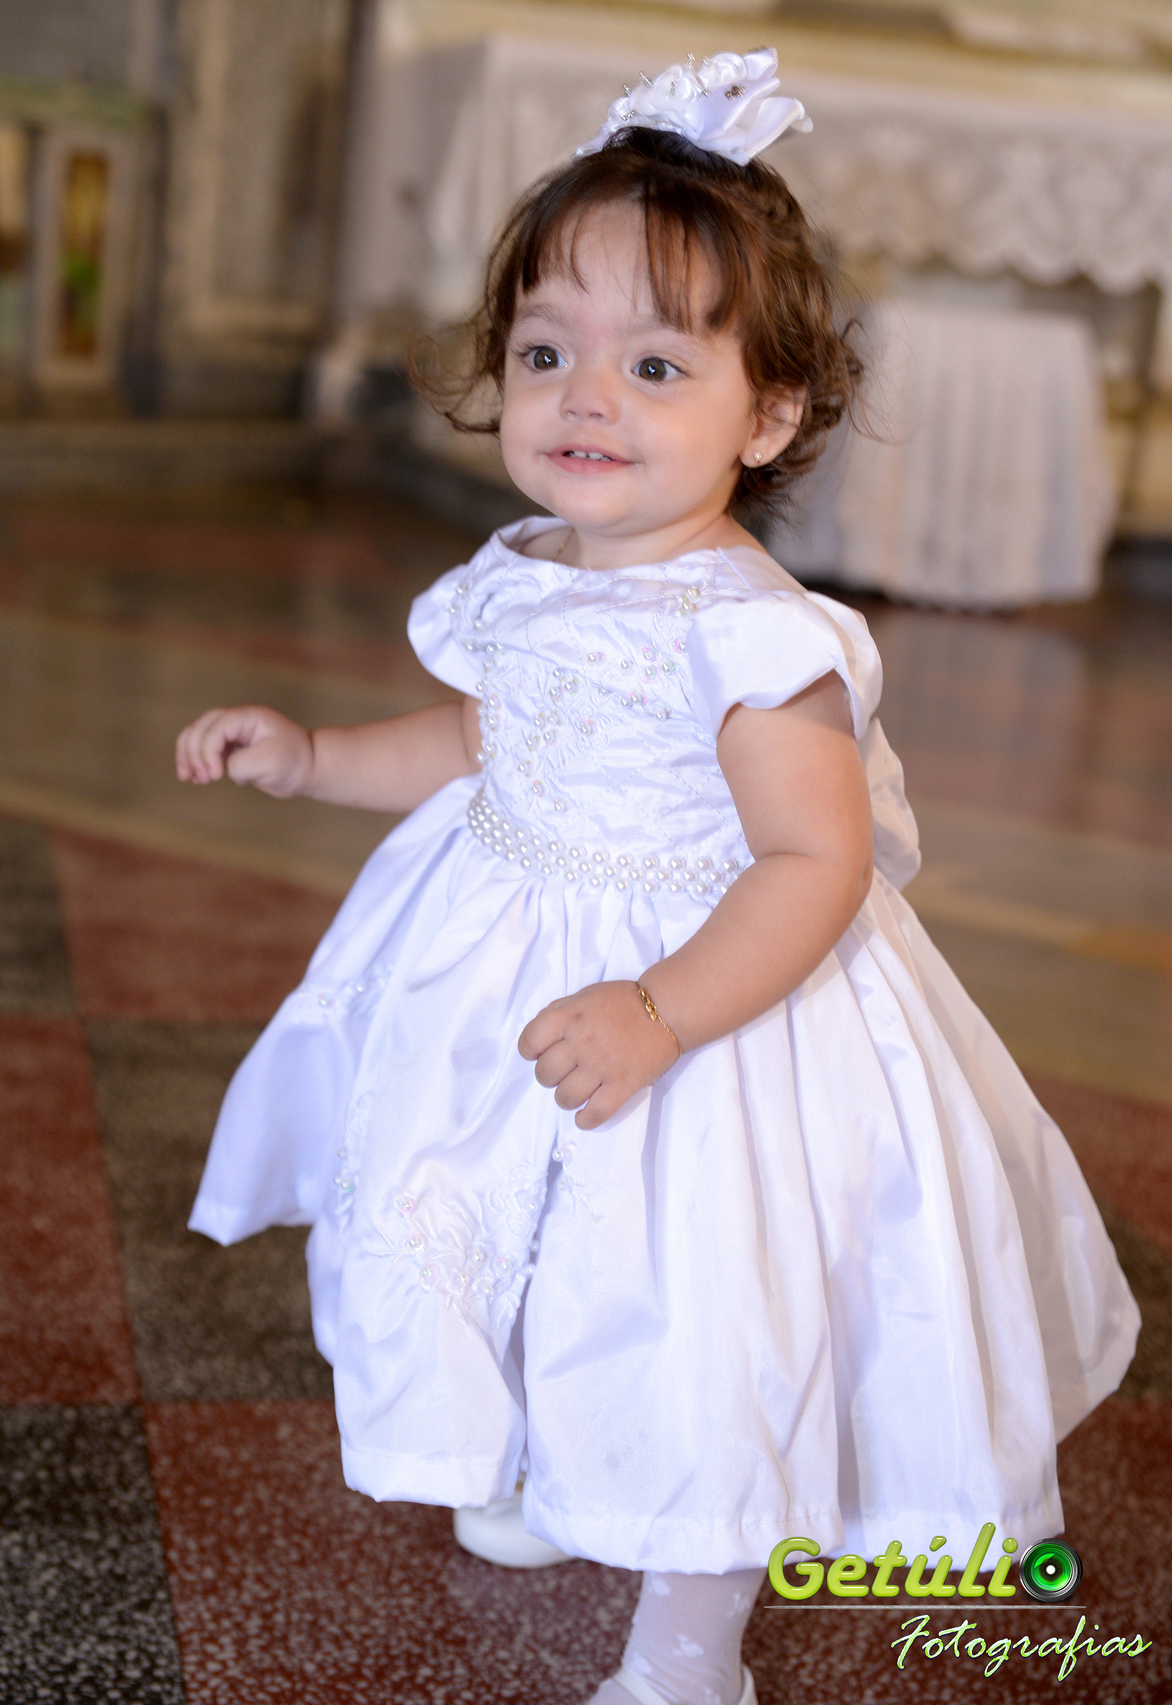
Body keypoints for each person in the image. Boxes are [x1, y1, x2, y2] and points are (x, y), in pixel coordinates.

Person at [176, 50, 1139, 1705]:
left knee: (701, 1308)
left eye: (654, 364)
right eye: (546, 352)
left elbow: (817, 858)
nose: (584, 398)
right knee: (517, 1230)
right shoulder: (530, 573)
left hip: (713, 1002)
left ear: (768, 414)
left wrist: (663, 1010)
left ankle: (687, 1651)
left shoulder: (753, 636)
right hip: (506, 964)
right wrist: (314, 752)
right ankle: (541, 1459)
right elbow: (488, 739)